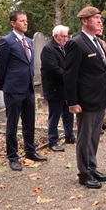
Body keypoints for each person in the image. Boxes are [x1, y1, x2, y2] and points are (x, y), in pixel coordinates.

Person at [63, 6, 106, 189]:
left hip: (99, 98)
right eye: (95, 18)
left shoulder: (98, 42)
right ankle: (84, 173)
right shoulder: (76, 43)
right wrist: (72, 102)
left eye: (100, 18)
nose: (100, 21)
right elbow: (70, 75)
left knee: (93, 137)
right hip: (85, 101)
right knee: (84, 137)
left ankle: (91, 166)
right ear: (84, 21)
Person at [0, 11, 48, 172]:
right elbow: (0, 67)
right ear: (13, 23)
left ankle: (30, 151)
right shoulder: (7, 41)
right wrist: (5, 86)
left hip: (28, 88)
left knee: (29, 121)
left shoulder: (29, 41)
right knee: (12, 124)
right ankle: (12, 156)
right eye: (22, 21)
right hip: (13, 89)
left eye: (26, 20)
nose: (25, 23)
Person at [40, 25, 75, 153]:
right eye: (63, 36)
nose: (66, 39)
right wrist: (70, 77)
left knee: (68, 112)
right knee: (54, 115)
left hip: (65, 87)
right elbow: (54, 69)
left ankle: (69, 135)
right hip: (54, 88)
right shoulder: (48, 49)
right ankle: (52, 141)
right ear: (55, 36)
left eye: (67, 36)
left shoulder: (65, 47)